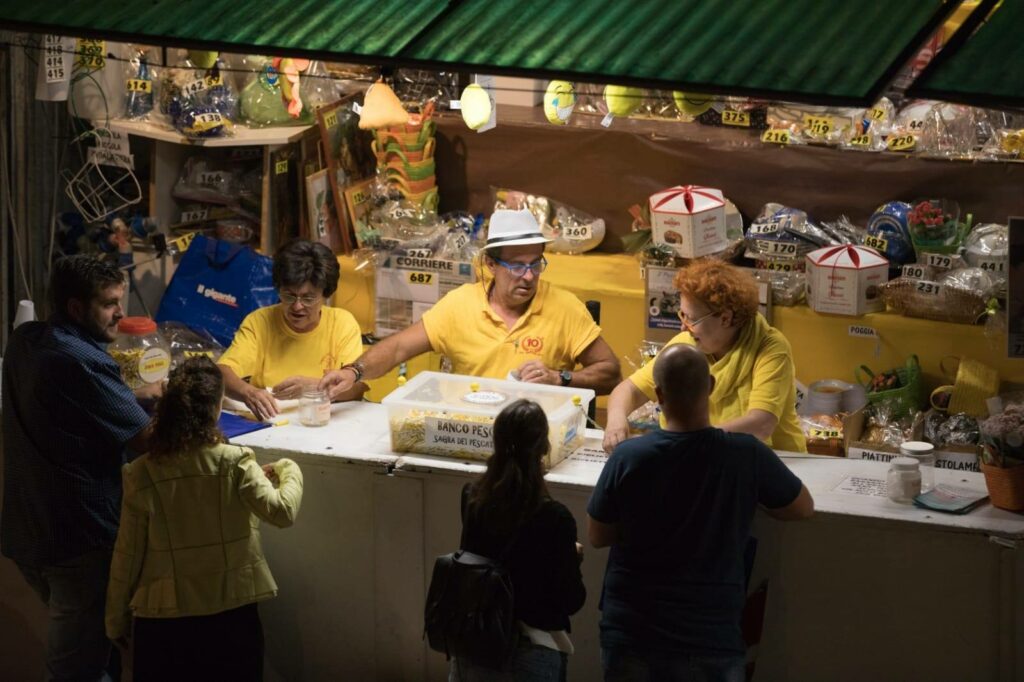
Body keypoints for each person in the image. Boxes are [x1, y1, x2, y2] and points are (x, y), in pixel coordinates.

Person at [588, 345, 814, 682]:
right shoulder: (745, 455)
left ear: (659, 395)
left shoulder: (629, 457)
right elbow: (802, 507)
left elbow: (598, 536)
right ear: (710, 386)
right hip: (710, 634)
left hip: (632, 628)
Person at [1, 255, 154, 682]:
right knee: (76, 670)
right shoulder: (83, 362)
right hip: (79, 539)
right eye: (109, 304)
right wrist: (192, 405)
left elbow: (75, 409)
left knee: (95, 654)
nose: (121, 314)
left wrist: (132, 394)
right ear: (75, 308)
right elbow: (148, 442)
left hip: (27, 532)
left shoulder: (25, 340)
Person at [105, 356, 303, 681]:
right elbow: (281, 512)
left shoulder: (142, 473)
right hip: (231, 617)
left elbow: (127, 555)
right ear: (215, 410)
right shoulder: (236, 463)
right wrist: (287, 469)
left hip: (163, 623)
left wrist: (114, 620)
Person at [319, 209, 620, 399]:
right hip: (471, 431)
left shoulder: (564, 307)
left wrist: (561, 378)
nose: (528, 277)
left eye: (536, 264)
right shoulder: (460, 305)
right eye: (516, 266)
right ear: (491, 264)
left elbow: (611, 373)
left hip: (537, 438)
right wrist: (353, 372)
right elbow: (398, 347)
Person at [604, 259, 806, 453]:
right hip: (708, 453)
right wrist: (616, 419)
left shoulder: (770, 348)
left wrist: (687, 440)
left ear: (725, 318)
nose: (683, 326)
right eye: (681, 314)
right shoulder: (686, 345)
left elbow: (760, 424)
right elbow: (629, 389)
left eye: (691, 319)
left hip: (776, 462)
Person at [452, 399, 586, 681]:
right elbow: (572, 599)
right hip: (531, 651)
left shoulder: (472, 498)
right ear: (544, 449)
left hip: (477, 642)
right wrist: (571, 556)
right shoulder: (555, 518)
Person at [218, 238, 365, 420]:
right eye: (289, 296)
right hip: (273, 422)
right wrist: (248, 392)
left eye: (308, 298)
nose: (297, 307)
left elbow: (357, 389)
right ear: (278, 289)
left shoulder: (342, 323)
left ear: (325, 294)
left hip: (323, 422)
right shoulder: (259, 322)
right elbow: (222, 372)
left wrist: (311, 388)